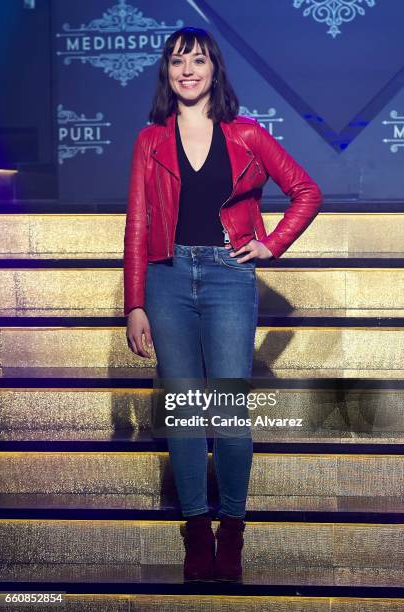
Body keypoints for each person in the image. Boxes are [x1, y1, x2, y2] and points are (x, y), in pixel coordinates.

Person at [124, 26, 322, 582]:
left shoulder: (247, 135)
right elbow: (137, 223)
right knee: (186, 415)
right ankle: (195, 533)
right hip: (165, 278)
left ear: (215, 70)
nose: (188, 70)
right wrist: (133, 303)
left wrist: (271, 243)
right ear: (167, 72)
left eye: (199, 61)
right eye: (178, 61)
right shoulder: (149, 140)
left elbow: (307, 190)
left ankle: (231, 529)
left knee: (229, 415)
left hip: (228, 276)